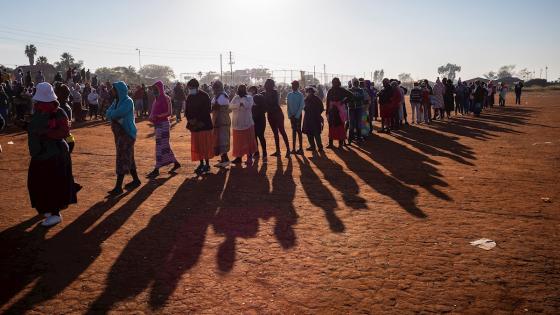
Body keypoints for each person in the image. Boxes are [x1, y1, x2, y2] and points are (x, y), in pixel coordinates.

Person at [27, 82, 79, 227]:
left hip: (55, 154)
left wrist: (45, 133)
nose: (37, 102)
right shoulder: (38, 110)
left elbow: (64, 132)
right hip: (39, 154)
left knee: (53, 184)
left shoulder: (58, 112)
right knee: (36, 183)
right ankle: (47, 209)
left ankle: (55, 214)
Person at [105, 81, 141, 195]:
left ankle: (118, 187)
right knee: (128, 156)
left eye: (114, 89)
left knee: (122, 157)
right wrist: (113, 114)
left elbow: (114, 114)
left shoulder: (128, 101)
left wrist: (113, 114)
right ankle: (136, 180)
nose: (112, 91)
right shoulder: (117, 101)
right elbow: (108, 114)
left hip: (127, 133)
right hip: (120, 134)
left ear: (119, 90)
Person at [146, 81, 181, 178]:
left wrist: (157, 116)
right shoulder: (156, 99)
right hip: (157, 124)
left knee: (160, 146)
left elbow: (169, 112)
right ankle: (175, 162)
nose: (154, 91)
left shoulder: (167, 98)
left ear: (160, 88)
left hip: (164, 124)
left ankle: (157, 168)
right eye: (153, 89)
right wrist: (152, 117)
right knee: (164, 145)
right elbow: (153, 112)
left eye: (155, 89)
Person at [185, 79, 214, 174]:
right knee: (197, 146)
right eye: (189, 88)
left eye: (191, 88)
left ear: (196, 87)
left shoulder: (204, 96)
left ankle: (207, 164)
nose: (190, 89)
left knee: (205, 145)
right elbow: (186, 110)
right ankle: (201, 163)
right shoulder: (189, 97)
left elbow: (207, 110)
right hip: (194, 126)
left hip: (204, 124)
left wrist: (197, 120)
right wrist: (190, 119)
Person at [230, 84, 258, 165]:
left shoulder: (249, 97)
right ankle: (238, 157)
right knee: (238, 142)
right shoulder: (236, 97)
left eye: (242, 89)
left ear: (245, 90)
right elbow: (230, 106)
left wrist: (242, 104)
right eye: (239, 89)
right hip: (237, 124)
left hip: (247, 124)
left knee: (248, 141)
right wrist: (239, 105)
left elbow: (249, 106)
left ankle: (249, 158)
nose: (241, 90)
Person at [263, 79, 291, 157]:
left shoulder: (274, 92)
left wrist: (265, 101)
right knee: (275, 133)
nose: (266, 85)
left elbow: (274, 103)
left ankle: (288, 150)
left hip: (277, 114)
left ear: (271, 85)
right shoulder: (264, 93)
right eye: (266, 84)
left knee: (282, 131)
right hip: (271, 114)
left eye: (267, 84)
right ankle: (278, 151)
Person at [211, 80, 232, 167]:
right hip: (218, 120)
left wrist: (212, 107)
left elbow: (216, 106)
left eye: (215, 87)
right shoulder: (218, 95)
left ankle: (225, 159)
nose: (214, 89)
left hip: (223, 120)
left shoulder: (222, 96)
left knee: (223, 139)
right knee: (219, 139)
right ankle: (223, 158)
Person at [326, 77, 352, 147]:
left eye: (336, 82)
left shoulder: (342, 90)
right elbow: (328, 101)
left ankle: (340, 144)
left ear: (338, 83)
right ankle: (331, 143)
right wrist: (327, 112)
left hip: (340, 111)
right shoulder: (330, 91)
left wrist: (343, 101)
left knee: (340, 126)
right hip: (332, 111)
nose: (334, 83)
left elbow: (351, 95)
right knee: (331, 126)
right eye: (333, 82)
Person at [302, 86, 324, 152]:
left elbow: (321, 108)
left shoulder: (316, 99)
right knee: (309, 133)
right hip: (309, 118)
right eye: (308, 92)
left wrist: (317, 114)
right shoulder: (306, 99)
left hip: (314, 118)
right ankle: (313, 146)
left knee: (316, 133)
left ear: (313, 92)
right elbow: (304, 108)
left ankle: (319, 147)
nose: (309, 93)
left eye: (310, 91)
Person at [249, 85, 267, 160]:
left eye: (250, 90)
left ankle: (260, 152)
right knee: (257, 136)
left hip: (258, 119)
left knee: (258, 136)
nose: (249, 92)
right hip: (259, 119)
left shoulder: (256, 97)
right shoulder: (254, 98)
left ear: (253, 91)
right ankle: (260, 152)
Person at [286, 80, 305, 155]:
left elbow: (301, 106)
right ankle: (293, 148)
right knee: (294, 131)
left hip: (298, 116)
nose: (293, 86)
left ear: (297, 86)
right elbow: (288, 106)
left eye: (294, 85)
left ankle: (301, 148)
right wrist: (290, 115)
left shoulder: (300, 95)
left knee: (298, 131)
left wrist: (296, 116)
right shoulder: (289, 95)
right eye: (292, 85)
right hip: (292, 116)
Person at [348, 78, 365, 143]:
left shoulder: (361, 90)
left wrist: (353, 98)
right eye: (355, 82)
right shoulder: (349, 90)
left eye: (357, 82)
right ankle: (350, 138)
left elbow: (362, 98)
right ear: (352, 83)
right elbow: (348, 98)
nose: (356, 83)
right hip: (352, 108)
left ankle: (359, 137)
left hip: (359, 108)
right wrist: (355, 98)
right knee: (351, 123)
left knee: (359, 123)